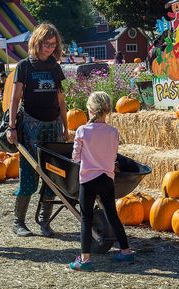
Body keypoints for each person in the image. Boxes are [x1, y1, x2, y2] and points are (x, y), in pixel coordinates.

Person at [7, 23, 69, 238]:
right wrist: (11, 126)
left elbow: (61, 100)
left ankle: (44, 220)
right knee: (29, 174)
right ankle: (19, 221)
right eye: (45, 43)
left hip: (52, 125)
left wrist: (65, 126)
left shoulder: (55, 67)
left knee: (52, 174)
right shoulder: (24, 66)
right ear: (36, 42)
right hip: (30, 125)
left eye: (53, 44)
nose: (49, 48)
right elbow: (15, 98)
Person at [69, 91, 134, 271]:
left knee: (86, 218)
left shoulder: (82, 131)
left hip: (88, 179)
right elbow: (113, 155)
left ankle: (85, 259)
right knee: (112, 214)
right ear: (107, 110)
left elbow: (75, 157)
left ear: (90, 109)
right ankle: (126, 250)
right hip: (106, 178)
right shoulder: (113, 132)